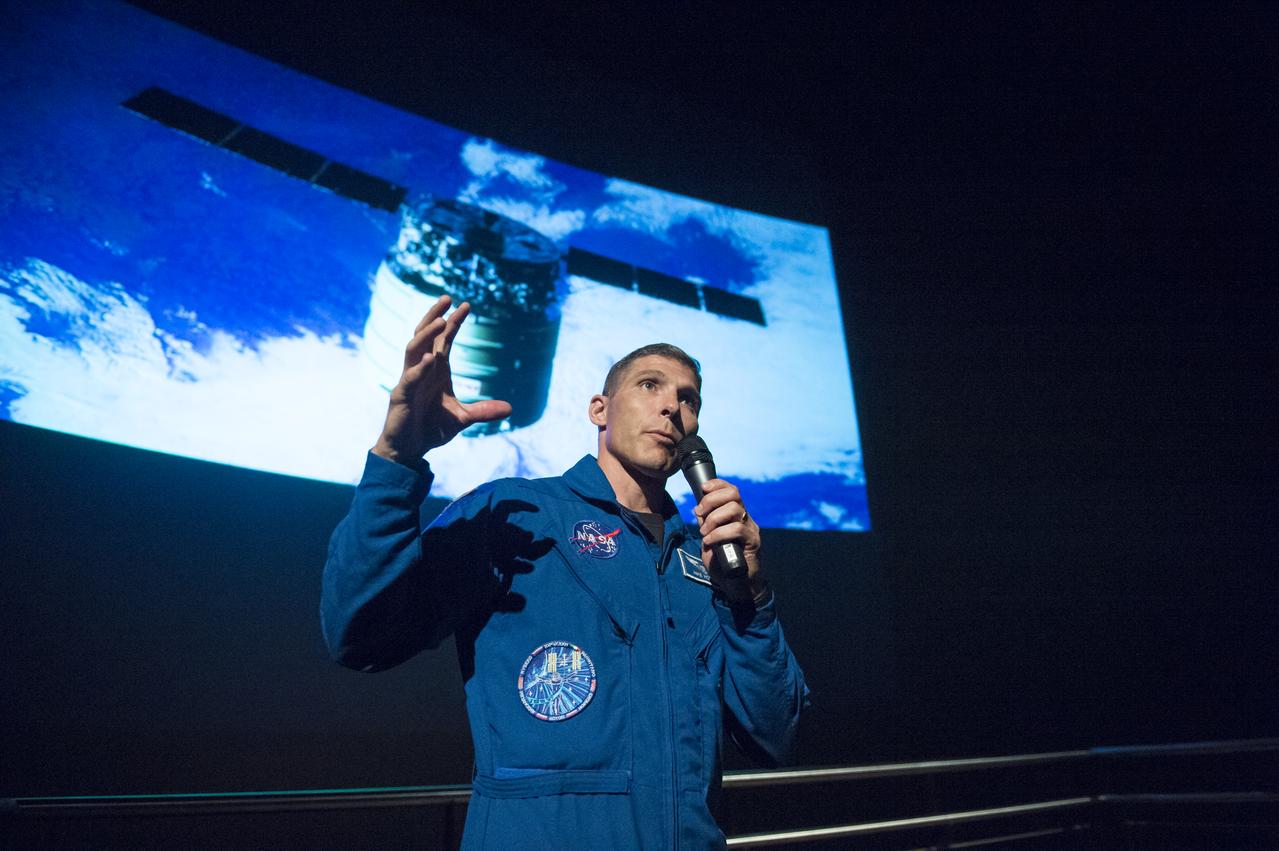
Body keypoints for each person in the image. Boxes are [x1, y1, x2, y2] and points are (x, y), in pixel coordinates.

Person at [322, 295, 809, 850]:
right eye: (650, 386)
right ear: (599, 409)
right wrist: (396, 458)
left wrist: (751, 597)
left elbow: (776, 735)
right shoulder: (516, 513)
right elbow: (361, 636)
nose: (673, 407)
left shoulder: (705, 561)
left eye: (688, 399)